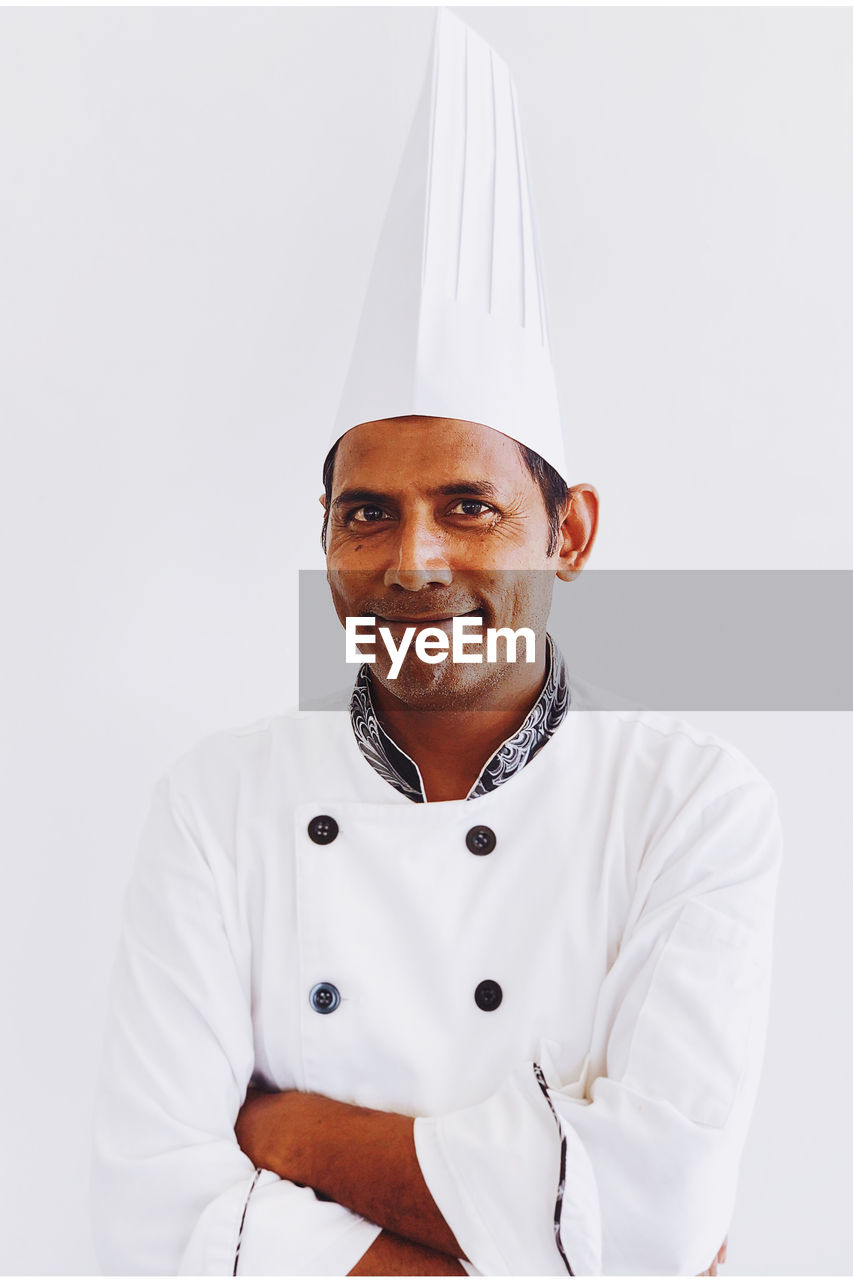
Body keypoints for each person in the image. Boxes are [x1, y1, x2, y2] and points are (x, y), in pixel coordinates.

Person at [91, 13, 780, 1276]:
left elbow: (661, 1221)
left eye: (469, 506)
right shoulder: (214, 804)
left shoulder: (690, 804)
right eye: (368, 512)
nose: (412, 560)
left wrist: (286, 1133)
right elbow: (146, 1224)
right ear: (327, 536)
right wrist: (549, 1227)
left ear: (567, 532)